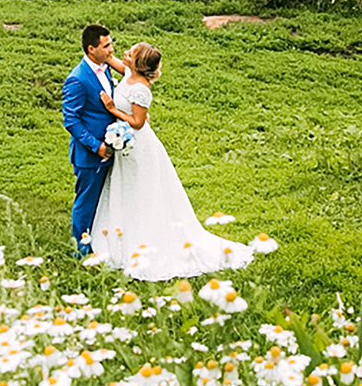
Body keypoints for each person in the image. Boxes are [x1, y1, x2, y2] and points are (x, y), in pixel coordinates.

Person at [87, 42, 253, 281]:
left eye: (130, 54)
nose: (123, 54)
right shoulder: (128, 73)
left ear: (137, 64)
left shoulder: (141, 88)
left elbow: (138, 122)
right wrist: (98, 50)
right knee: (124, 187)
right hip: (127, 148)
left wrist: (113, 109)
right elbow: (109, 59)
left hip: (138, 146)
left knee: (141, 190)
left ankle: (144, 236)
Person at [62, 24, 121, 256]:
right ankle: (81, 249)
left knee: (102, 199)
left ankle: (99, 240)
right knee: (86, 201)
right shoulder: (77, 80)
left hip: (110, 145)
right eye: (106, 46)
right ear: (91, 49)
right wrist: (96, 146)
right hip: (90, 153)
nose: (111, 49)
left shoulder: (104, 67)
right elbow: (71, 120)